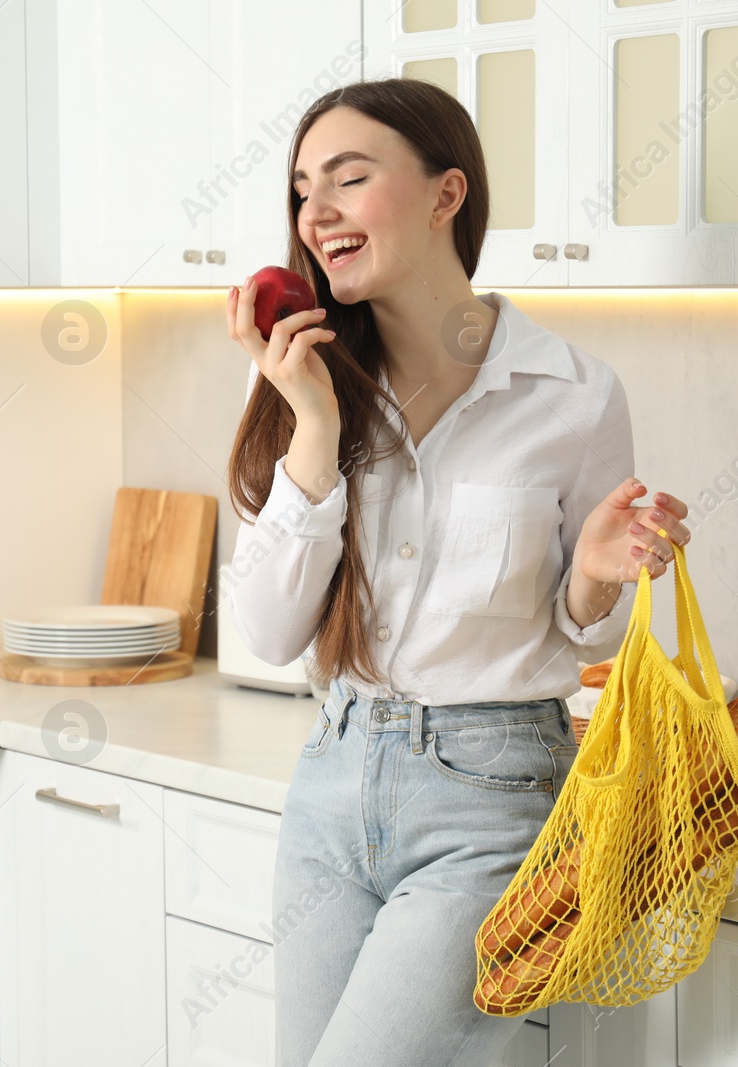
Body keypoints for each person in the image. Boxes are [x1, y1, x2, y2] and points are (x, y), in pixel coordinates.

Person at [222, 78, 693, 1066]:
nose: (316, 212)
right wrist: (311, 424)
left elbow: (582, 635)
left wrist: (599, 578)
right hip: (330, 781)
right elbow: (268, 632)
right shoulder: (310, 379)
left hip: (492, 794)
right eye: (303, 189)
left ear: (446, 195)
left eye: (349, 178)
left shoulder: (571, 392)